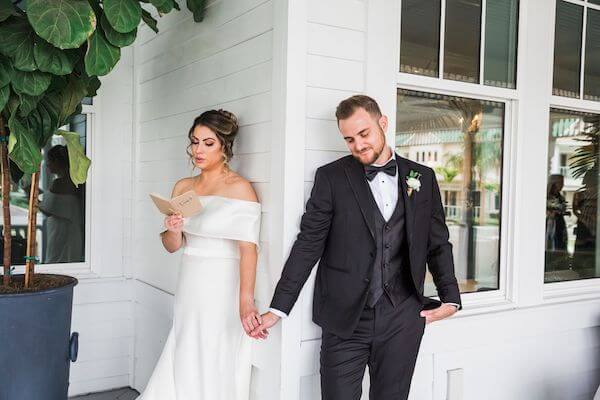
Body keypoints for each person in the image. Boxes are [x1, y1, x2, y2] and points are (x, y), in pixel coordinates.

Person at [250, 95, 462, 400]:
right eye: (349, 139)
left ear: (383, 124)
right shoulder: (331, 177)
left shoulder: (422, 178)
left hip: (403, 316)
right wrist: (278, 308)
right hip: (345, 319)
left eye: (364, 134)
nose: (358, 145)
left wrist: (450, 298)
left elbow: (437, 243)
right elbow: (308, 244)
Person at [138, 110, 263, 400]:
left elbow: (248, 250)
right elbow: (172, 246)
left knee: (215, 348)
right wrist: (172, 228)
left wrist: (245, 302)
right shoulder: (185, 187)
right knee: (185, 343)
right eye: (195, 142)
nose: (198, 150)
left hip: (222, 284)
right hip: (190, 280)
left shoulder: (240, 189)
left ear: (224, 146)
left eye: (208, 143)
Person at [38, 144, 84, 263]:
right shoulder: (75, 181)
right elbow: (55, 200)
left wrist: (28, 190)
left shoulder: (58, 183)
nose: (47, 164)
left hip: (60, 233)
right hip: (72, 231)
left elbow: (47, 209)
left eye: (49, 161)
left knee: (57, 261)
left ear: (57, 161)